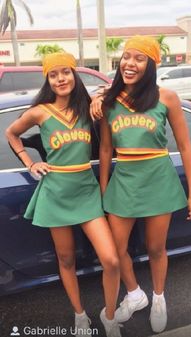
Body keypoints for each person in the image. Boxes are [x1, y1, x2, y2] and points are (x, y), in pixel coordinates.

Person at [90, 35, 191, 333]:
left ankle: (158, 297)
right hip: (124, 180)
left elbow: (186, 147)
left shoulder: (166, 97)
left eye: (139, 58)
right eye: (127, 56)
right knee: (115, 251)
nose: (130, 63)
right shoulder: (109, 100)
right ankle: (135, 293)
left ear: (151, 64)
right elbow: (104, 150)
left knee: (156, 248)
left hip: (158, 180)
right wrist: (104, 190)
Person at [5, 52, 122, 337]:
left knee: (111, 260)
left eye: (66, 72)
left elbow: (113, 91)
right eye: (54, 74)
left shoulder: (87, 107)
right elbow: (11, 133)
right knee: (66, 259)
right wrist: (30, 163)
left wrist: (98, 97)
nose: (61, 79)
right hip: (56, 192)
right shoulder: (39, 111)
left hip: (86, 191)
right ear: (47, 79)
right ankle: (79, 315)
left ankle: (109, 316)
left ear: (74, 74)